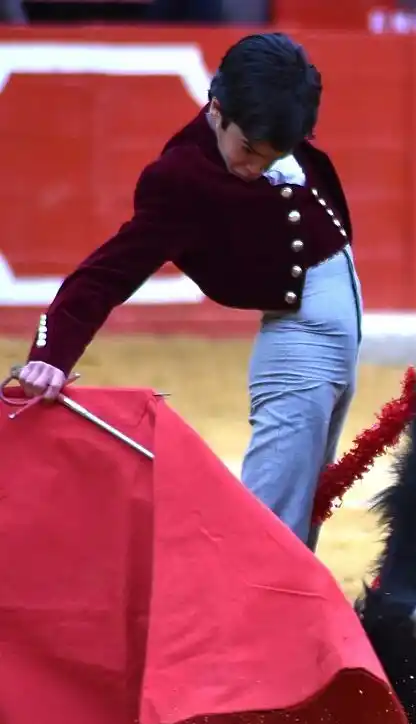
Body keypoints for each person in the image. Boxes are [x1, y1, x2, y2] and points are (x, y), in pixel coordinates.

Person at [15, 32, 364, 552]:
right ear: (216, 109)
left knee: (302, 505)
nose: (254, 168)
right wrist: (51, 353)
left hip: (333, 323)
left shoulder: (272, 110)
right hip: (300, 335)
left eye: (272, 157)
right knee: (269, 523)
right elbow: (108, 272)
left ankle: (286, 605)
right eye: (248, 151)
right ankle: (249, 606)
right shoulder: (180, 179)